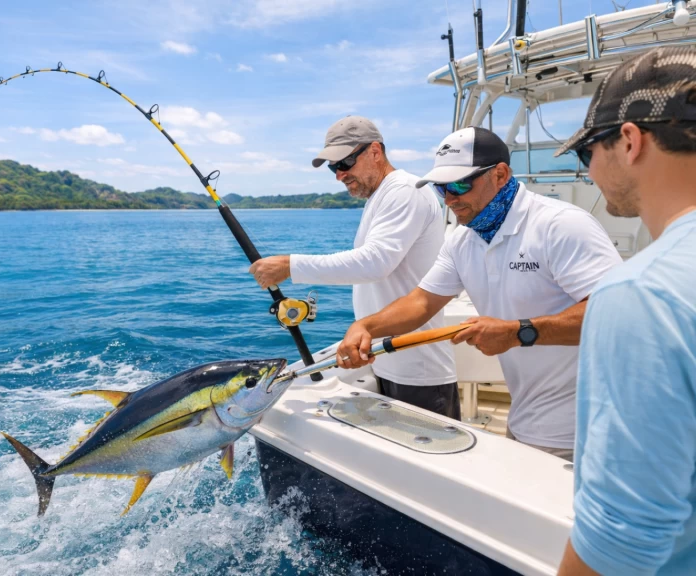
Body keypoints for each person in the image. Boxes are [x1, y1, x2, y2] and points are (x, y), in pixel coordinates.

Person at [337, 126, 622, 461]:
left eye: (459, 184)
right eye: (441, 188)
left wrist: (518, 332)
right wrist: (367, 327)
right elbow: (422, 301)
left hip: (591, 428)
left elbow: (615, 314)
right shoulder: (462, 240)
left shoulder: (559, 225)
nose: (450, 198)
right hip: (526, 420)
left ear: (500, 174)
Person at [553, 46, 696, 576]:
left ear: (630, 141)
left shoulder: (641, 292)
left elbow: (624, 536)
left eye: (586, 151)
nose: (588, 169)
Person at [248, 116, 459, 418]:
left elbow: (375, 263)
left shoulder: (404, 190)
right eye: (334, 167)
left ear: (375, 151)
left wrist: (290, 266)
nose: (339, 175)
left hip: (418, 369)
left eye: (345, 163)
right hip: (387, 359)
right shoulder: (381, 196)